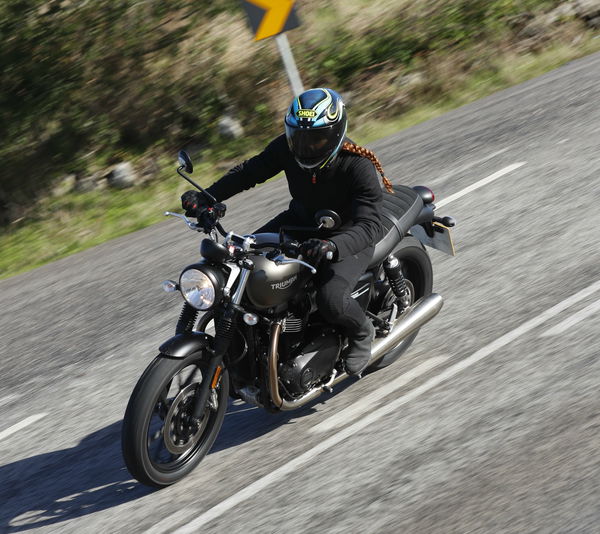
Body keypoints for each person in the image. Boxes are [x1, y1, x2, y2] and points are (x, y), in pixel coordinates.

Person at [181, 88, 395, 376]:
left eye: (316, 138)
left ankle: (361, 332)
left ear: (335, 133)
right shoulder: (287, 148)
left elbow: (370, 225)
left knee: (330, 298)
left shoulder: (357, 165)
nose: (306, 147)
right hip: (298, 222)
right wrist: (208, 197)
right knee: (238, 266)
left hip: (345, 236)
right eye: (299, 137)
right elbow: (249, 172)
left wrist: (333, 247)